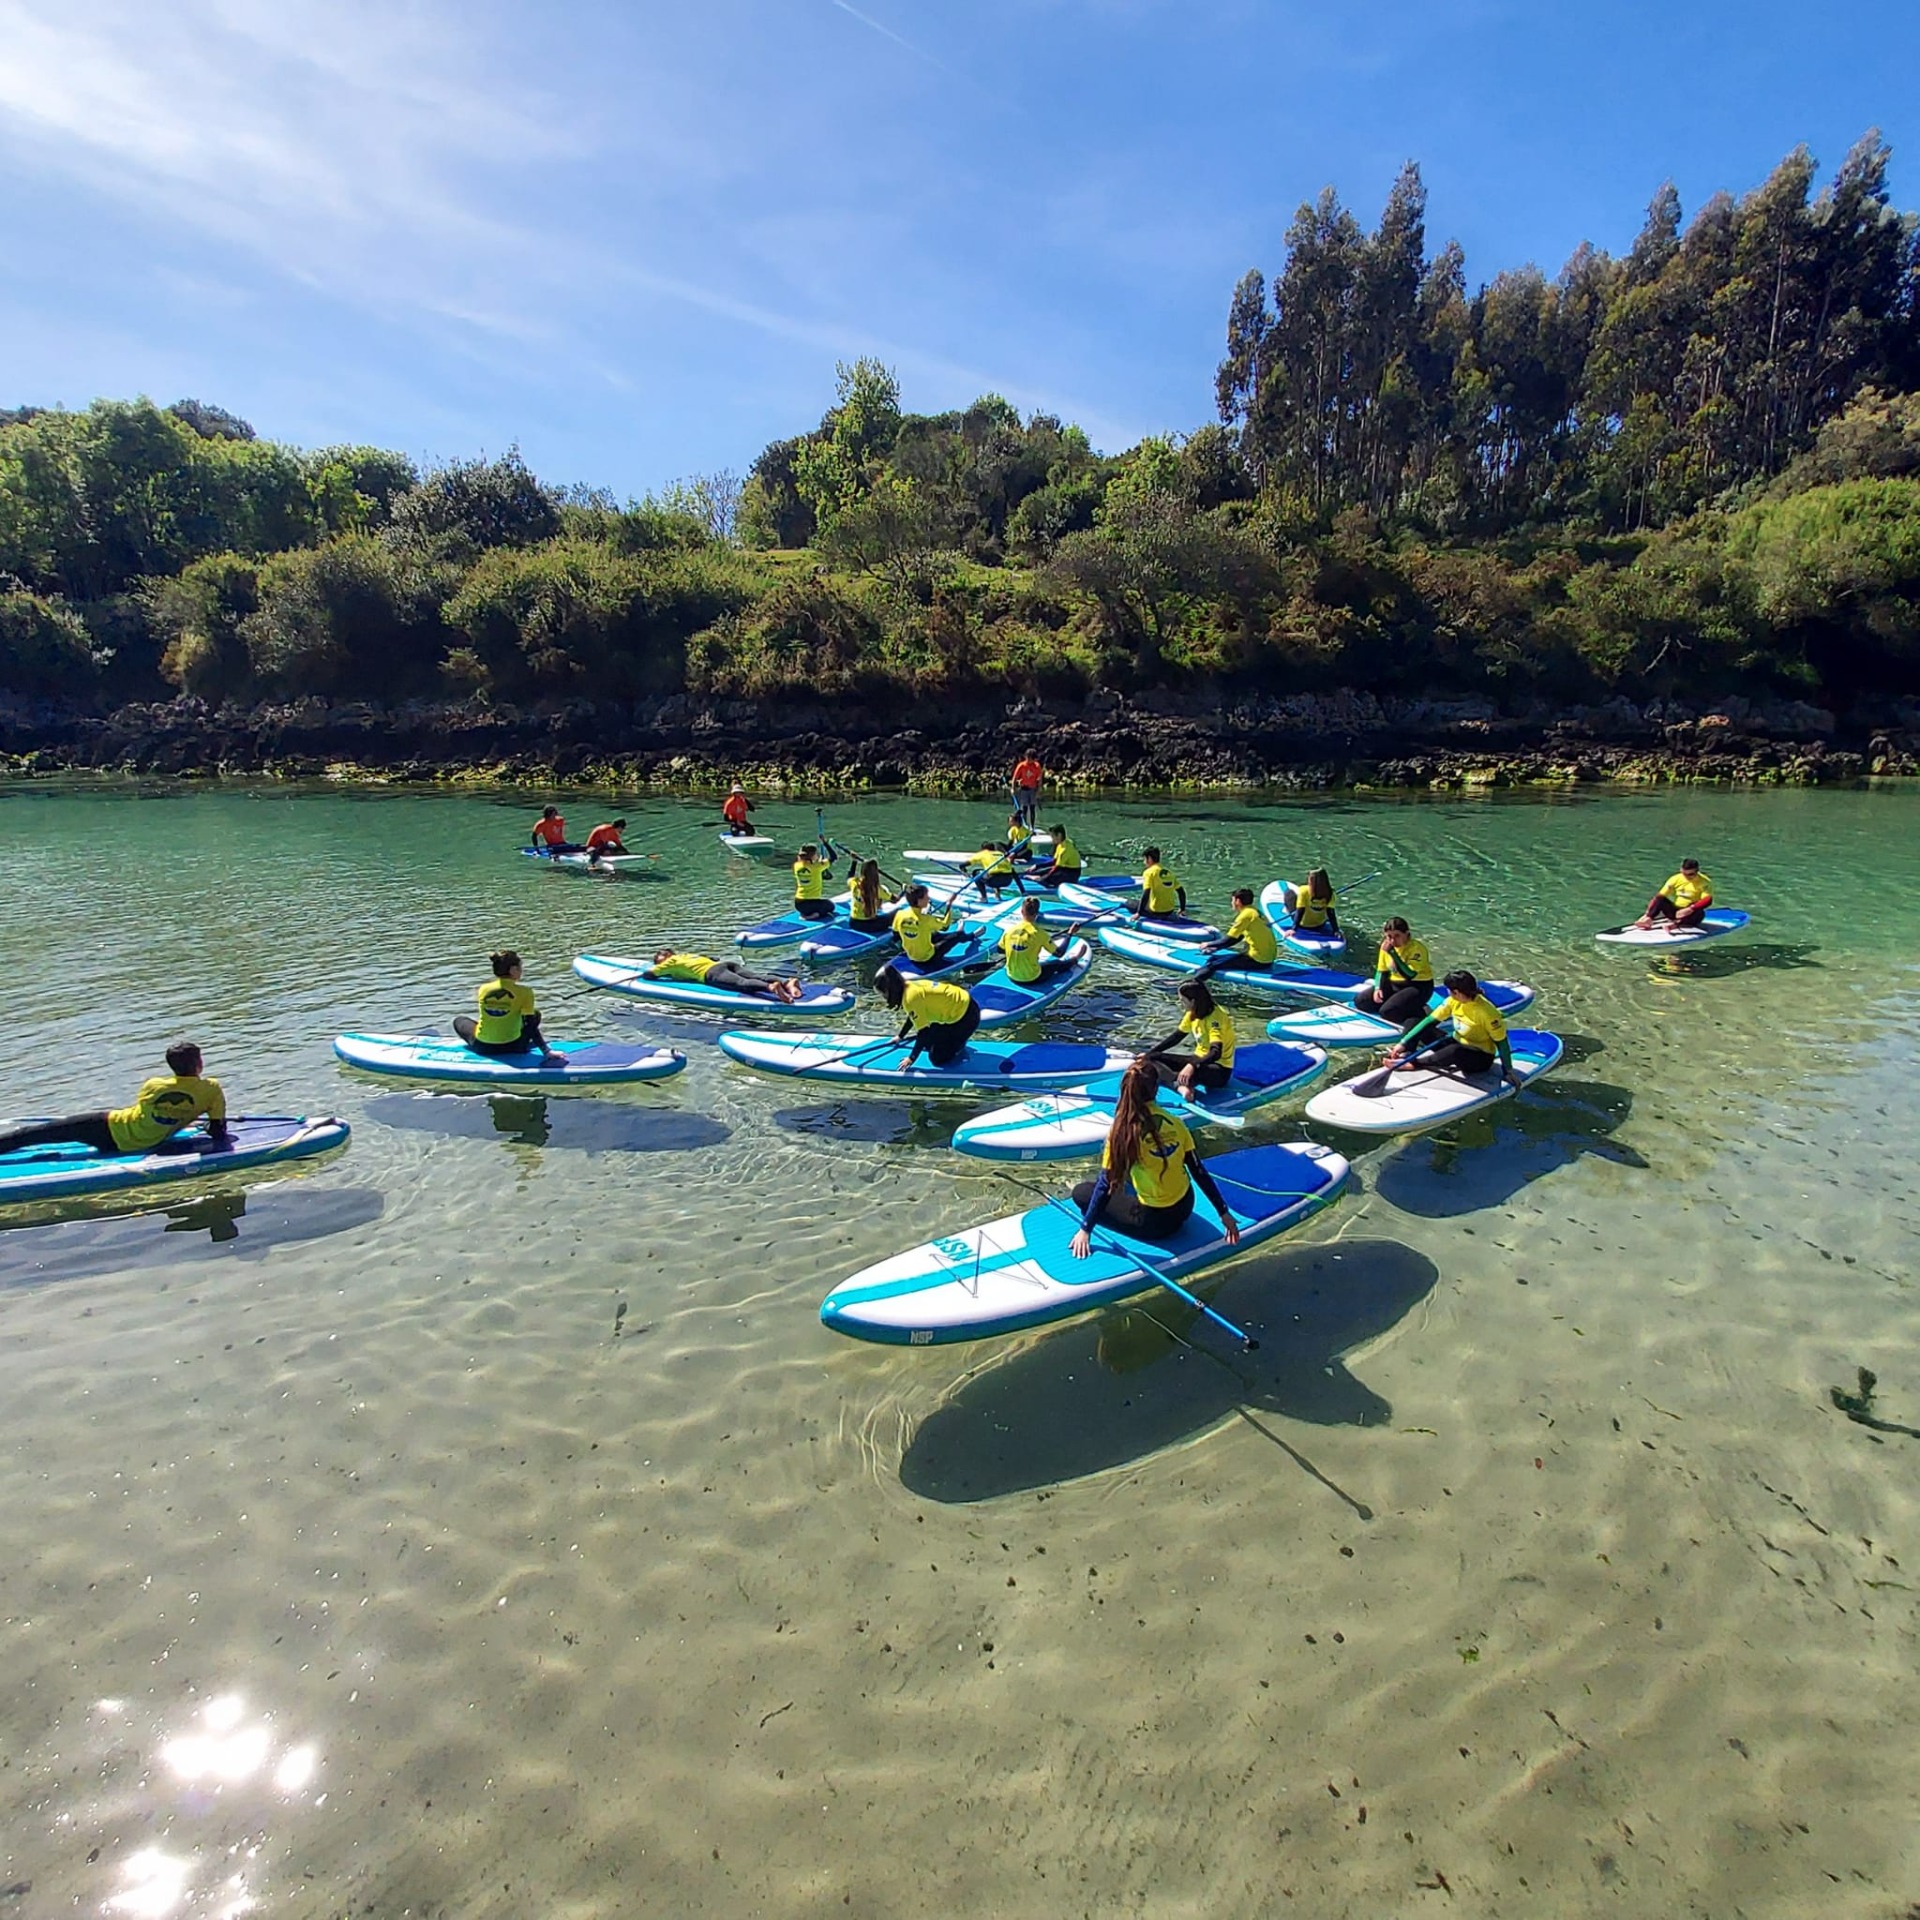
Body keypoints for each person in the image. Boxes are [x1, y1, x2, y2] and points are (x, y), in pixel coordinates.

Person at [1069, 1061, 1238, 1256]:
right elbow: (1197, 1170)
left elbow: (1104, 1185)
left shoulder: (1122, 1133)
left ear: (1124, 1089)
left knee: (1081, 1192)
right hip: (1185, 1205)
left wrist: (1085, 1229)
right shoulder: (1175, 1122)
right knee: (1134, 1173)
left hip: (1155, 1224)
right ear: (1156, 1089)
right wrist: (1223, 1212)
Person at [0, 1041, 228, 1161]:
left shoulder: (154, 1085)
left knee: (36, 1134)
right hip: (137, 1144)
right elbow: (218, 1131)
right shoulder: (212, 1090)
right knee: (42, 1135)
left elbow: (147, 1114)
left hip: (109, 1127)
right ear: (200, 1064)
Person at [1384, 970, 1516, 1083]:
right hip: (1457, 1042)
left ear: (1456, 992)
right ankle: (1408, 1052)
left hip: (1479, 1057)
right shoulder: (1453, 1001)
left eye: (1449, 990)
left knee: (1454, 1050)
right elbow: (1429, 1021)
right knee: (1414, 1022)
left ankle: (1414, 1063)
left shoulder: (1487, 1013)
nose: (1447, 992)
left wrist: (1508, 1071)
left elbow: (1502, 1043)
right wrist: (1404, 1042)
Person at [454, 951, 559, 1059]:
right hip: (516, 1046)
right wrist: (546, 1051)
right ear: (513, 970)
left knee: (459, 1020)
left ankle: (490, 1036)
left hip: (484, 1047)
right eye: (520, 967)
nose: (522, 971)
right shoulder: (525, 992)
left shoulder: (483, 989)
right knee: (534, 1015)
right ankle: (521, 1043)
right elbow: (530, 1025)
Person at [876, 965, 981, 1067]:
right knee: (927, 1044)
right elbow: (913, 1016)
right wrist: (900, 1036)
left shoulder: (911, 998)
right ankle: (953, 1041)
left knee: (937, 1059)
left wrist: (911, 1058)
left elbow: (923, 1032)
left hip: (966, 1018)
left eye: (883, 994)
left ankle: (958, 1046)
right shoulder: (909, 987)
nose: (884, 997)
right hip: (961, 1009)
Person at [1143, 979, 1236, 1094]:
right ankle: (1179, 1084)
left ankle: (1178, 1082)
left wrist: (1192, 1065)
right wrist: (1149, 1053)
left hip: (1218, 1070)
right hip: (1197, 1059)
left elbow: (1216, 1052)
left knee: (1159, 1071)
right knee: (1150, 1059)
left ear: (1193, 1001)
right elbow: (1176, 1037)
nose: (1180, 1003)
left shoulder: (1215, 1019)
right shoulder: (1192, 1013)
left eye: (1183, 1000)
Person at [648, 950, 803, 1004]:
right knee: (756, 975)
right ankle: (786, 982)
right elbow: (713, 958)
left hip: (711, 973)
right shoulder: (686, 955)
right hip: (726, 964)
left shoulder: (669, 963)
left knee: (742, 983)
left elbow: (649, 975)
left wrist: (655, 970)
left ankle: (770, 988)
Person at [1357, 917, 1434, 1025]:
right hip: (1395, 984)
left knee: (1388, 1012)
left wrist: (1393, 954)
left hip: (1417, 986)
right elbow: (1382, 971)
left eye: (1397, 936)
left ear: (1406, 934)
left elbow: (1409, 974)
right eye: (1389, 936)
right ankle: (1400, 1004)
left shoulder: (1417, 949)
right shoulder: (1386, 946)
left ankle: (1419, 1010)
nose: (1392, 941)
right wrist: (1378, 988)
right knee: (1361, 1001)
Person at [1194, 887, 1278, 978]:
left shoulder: (1245, 916)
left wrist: (1208, 944)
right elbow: (1237, 938)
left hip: (1258, 961)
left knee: (1213, 965)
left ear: (1237, 901)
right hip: (1267, 959)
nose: (1231, 903)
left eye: (1232, 900)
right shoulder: (1255, 912)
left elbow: (1228, 940)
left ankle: (1192, 984)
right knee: (1216, 958)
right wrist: (1215, 947)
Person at [998, 897, 1076, 985]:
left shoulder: (1009, 930)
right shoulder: (1040, 934)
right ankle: (1075, 959)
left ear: (1022, 911)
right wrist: (1069, 934)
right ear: (1037, 914)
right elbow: (1059, 954)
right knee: (1056, 964)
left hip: (1011, 976)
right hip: (1032, 978)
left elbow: (1000, 950)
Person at [893, 886, 967, 969]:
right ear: (919, 901)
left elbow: (895, 933)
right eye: (926, 896)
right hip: (928, 958)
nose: (928, 898)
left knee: (934, 934)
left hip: (910, 956)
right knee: (957, 935)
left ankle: (963, 936)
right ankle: (963, 934)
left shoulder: (899, 914)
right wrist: (949, 904)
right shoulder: (926, 919)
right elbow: (945, 926)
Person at [1634, 858, 1714, 930]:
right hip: (1676, 912)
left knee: (1699, 910)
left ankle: (1675, 925)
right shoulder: (1675, 879)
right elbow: (1660, 896)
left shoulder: (1704, 882)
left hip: (1691, 914)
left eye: (1690, 875)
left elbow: (1708, 900)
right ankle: (1648, 920)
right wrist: (1648, 913)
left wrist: (1690, 909)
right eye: (1684, 874)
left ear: (1697, 871)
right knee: (1660, 899)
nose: (1687, 877)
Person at [1134, 847, 1187, 924]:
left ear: (1149, 859)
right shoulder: (1169, 872)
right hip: (1169, 911)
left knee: (1130, 903)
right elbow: (1181, 891)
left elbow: (1146, 893)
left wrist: (1139, 913)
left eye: (1144, 859)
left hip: (1155, 912)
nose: (1144, 862)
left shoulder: (1148, 872)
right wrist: (1182, 909)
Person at [846, 858, 895, 933]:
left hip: (853, 922)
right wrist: (904, 890)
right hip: (869, 925)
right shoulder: (877, 888)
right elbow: (894, 900)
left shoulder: (854, 882)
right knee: (897, 913)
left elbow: (849, 876)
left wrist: (854, 861)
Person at [1285, 869, 1339, 935]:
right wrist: (1336, 930)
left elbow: (1300, 911)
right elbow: (1331, 913)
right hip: (1320, 924)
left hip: (1303, 924)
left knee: (1288, 893)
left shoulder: (1303, 890)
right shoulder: (1331, 893)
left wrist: (1293, 929)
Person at [791, 843, 836, 921]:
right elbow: (833, 857)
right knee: (830, 906)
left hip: (798, 904)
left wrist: (818, 862)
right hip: (811, 904)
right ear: (813, 855)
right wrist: (825, 843)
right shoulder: (817, 867)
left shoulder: (796, 865)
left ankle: (804, 913)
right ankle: (814, 915)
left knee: (820, 903)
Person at [1030, 823, 1082, 889]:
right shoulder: (1060, 844)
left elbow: (1057, 868)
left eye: (1052, 836)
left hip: (1072, 875)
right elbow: (1054, 861)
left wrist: (1041, 878)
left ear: (1059, 835)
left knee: (1044, 879)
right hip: (1063, 869)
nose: (1052, 839)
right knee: (1036, 872)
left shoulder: (1066, 849)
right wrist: (1037, 866)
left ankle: (1040, 879)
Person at [1010, 752, 1044, 827]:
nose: (1028, 760)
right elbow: (1014, 778)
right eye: (1027, 758)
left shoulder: (1037, 766)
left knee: (1032, 808)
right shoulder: (1021, 766)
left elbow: (1040, 779)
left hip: (1033, 789)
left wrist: (1039, 791)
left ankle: (1032, 826)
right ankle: (1025, 825)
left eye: (1030, 758)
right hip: (1024, 789)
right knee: (1024, 808)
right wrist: (1013, 788)